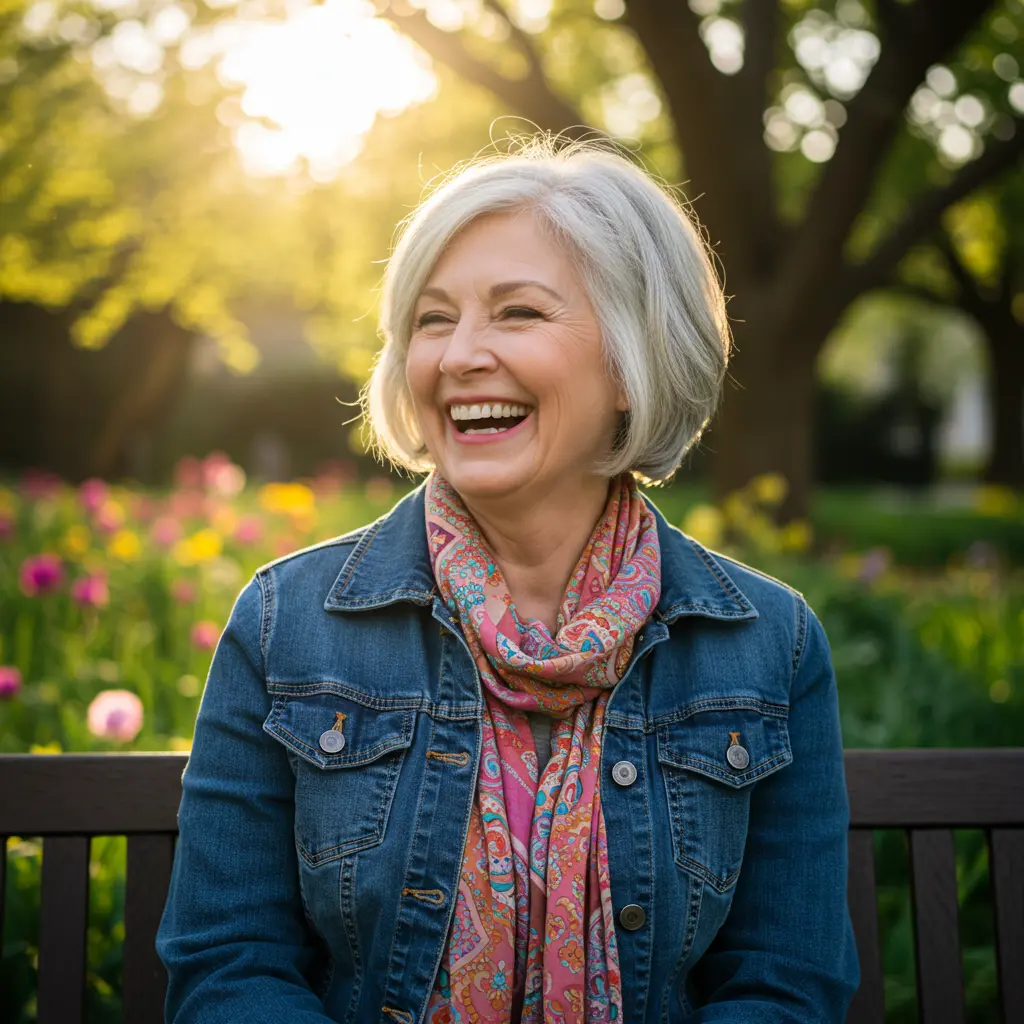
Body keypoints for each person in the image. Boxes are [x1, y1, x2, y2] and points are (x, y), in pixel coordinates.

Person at [156, 140, 860, 1023]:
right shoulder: (285, 623)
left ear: (634, 357)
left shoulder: (767, 643)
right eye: (433, 319)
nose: (458, 357)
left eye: (517, 312)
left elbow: (784, 986)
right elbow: (228, 967)